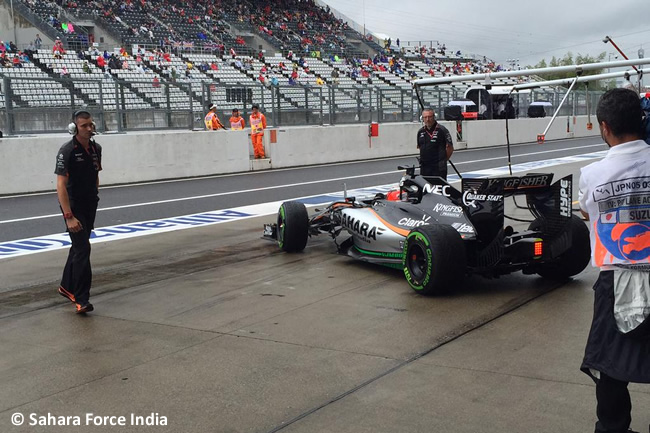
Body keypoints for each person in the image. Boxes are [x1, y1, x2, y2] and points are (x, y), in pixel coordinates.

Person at [578, 88, 650, 433]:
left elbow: (585, 211)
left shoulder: (592, 174)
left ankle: (612, 428)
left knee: (610, 368)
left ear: (604, 127)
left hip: (614, 279)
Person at [55, 110, 102, 314]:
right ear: (74, 128)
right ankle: (82, 299)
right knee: (83, 249)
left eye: (91, 124)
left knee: (77, 247)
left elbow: (96, 175)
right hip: (73, 207)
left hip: (90, 204)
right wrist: (69, 216)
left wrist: (95, 194)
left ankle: (66, 286)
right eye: (84, 126)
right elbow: (60, 186)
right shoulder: (67, 151)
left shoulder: (96, 148)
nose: (89, 128)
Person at [416, 108, 453, 179]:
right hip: (425, 168)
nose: (427, 119)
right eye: (425, 117)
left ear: (434, 117)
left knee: (439, 188)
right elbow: (420, 147)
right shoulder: (420, 131)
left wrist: (443, 160)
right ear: (422, 118)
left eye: (429, 117)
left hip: (438, 168)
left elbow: (450, 148)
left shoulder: (442, 130)